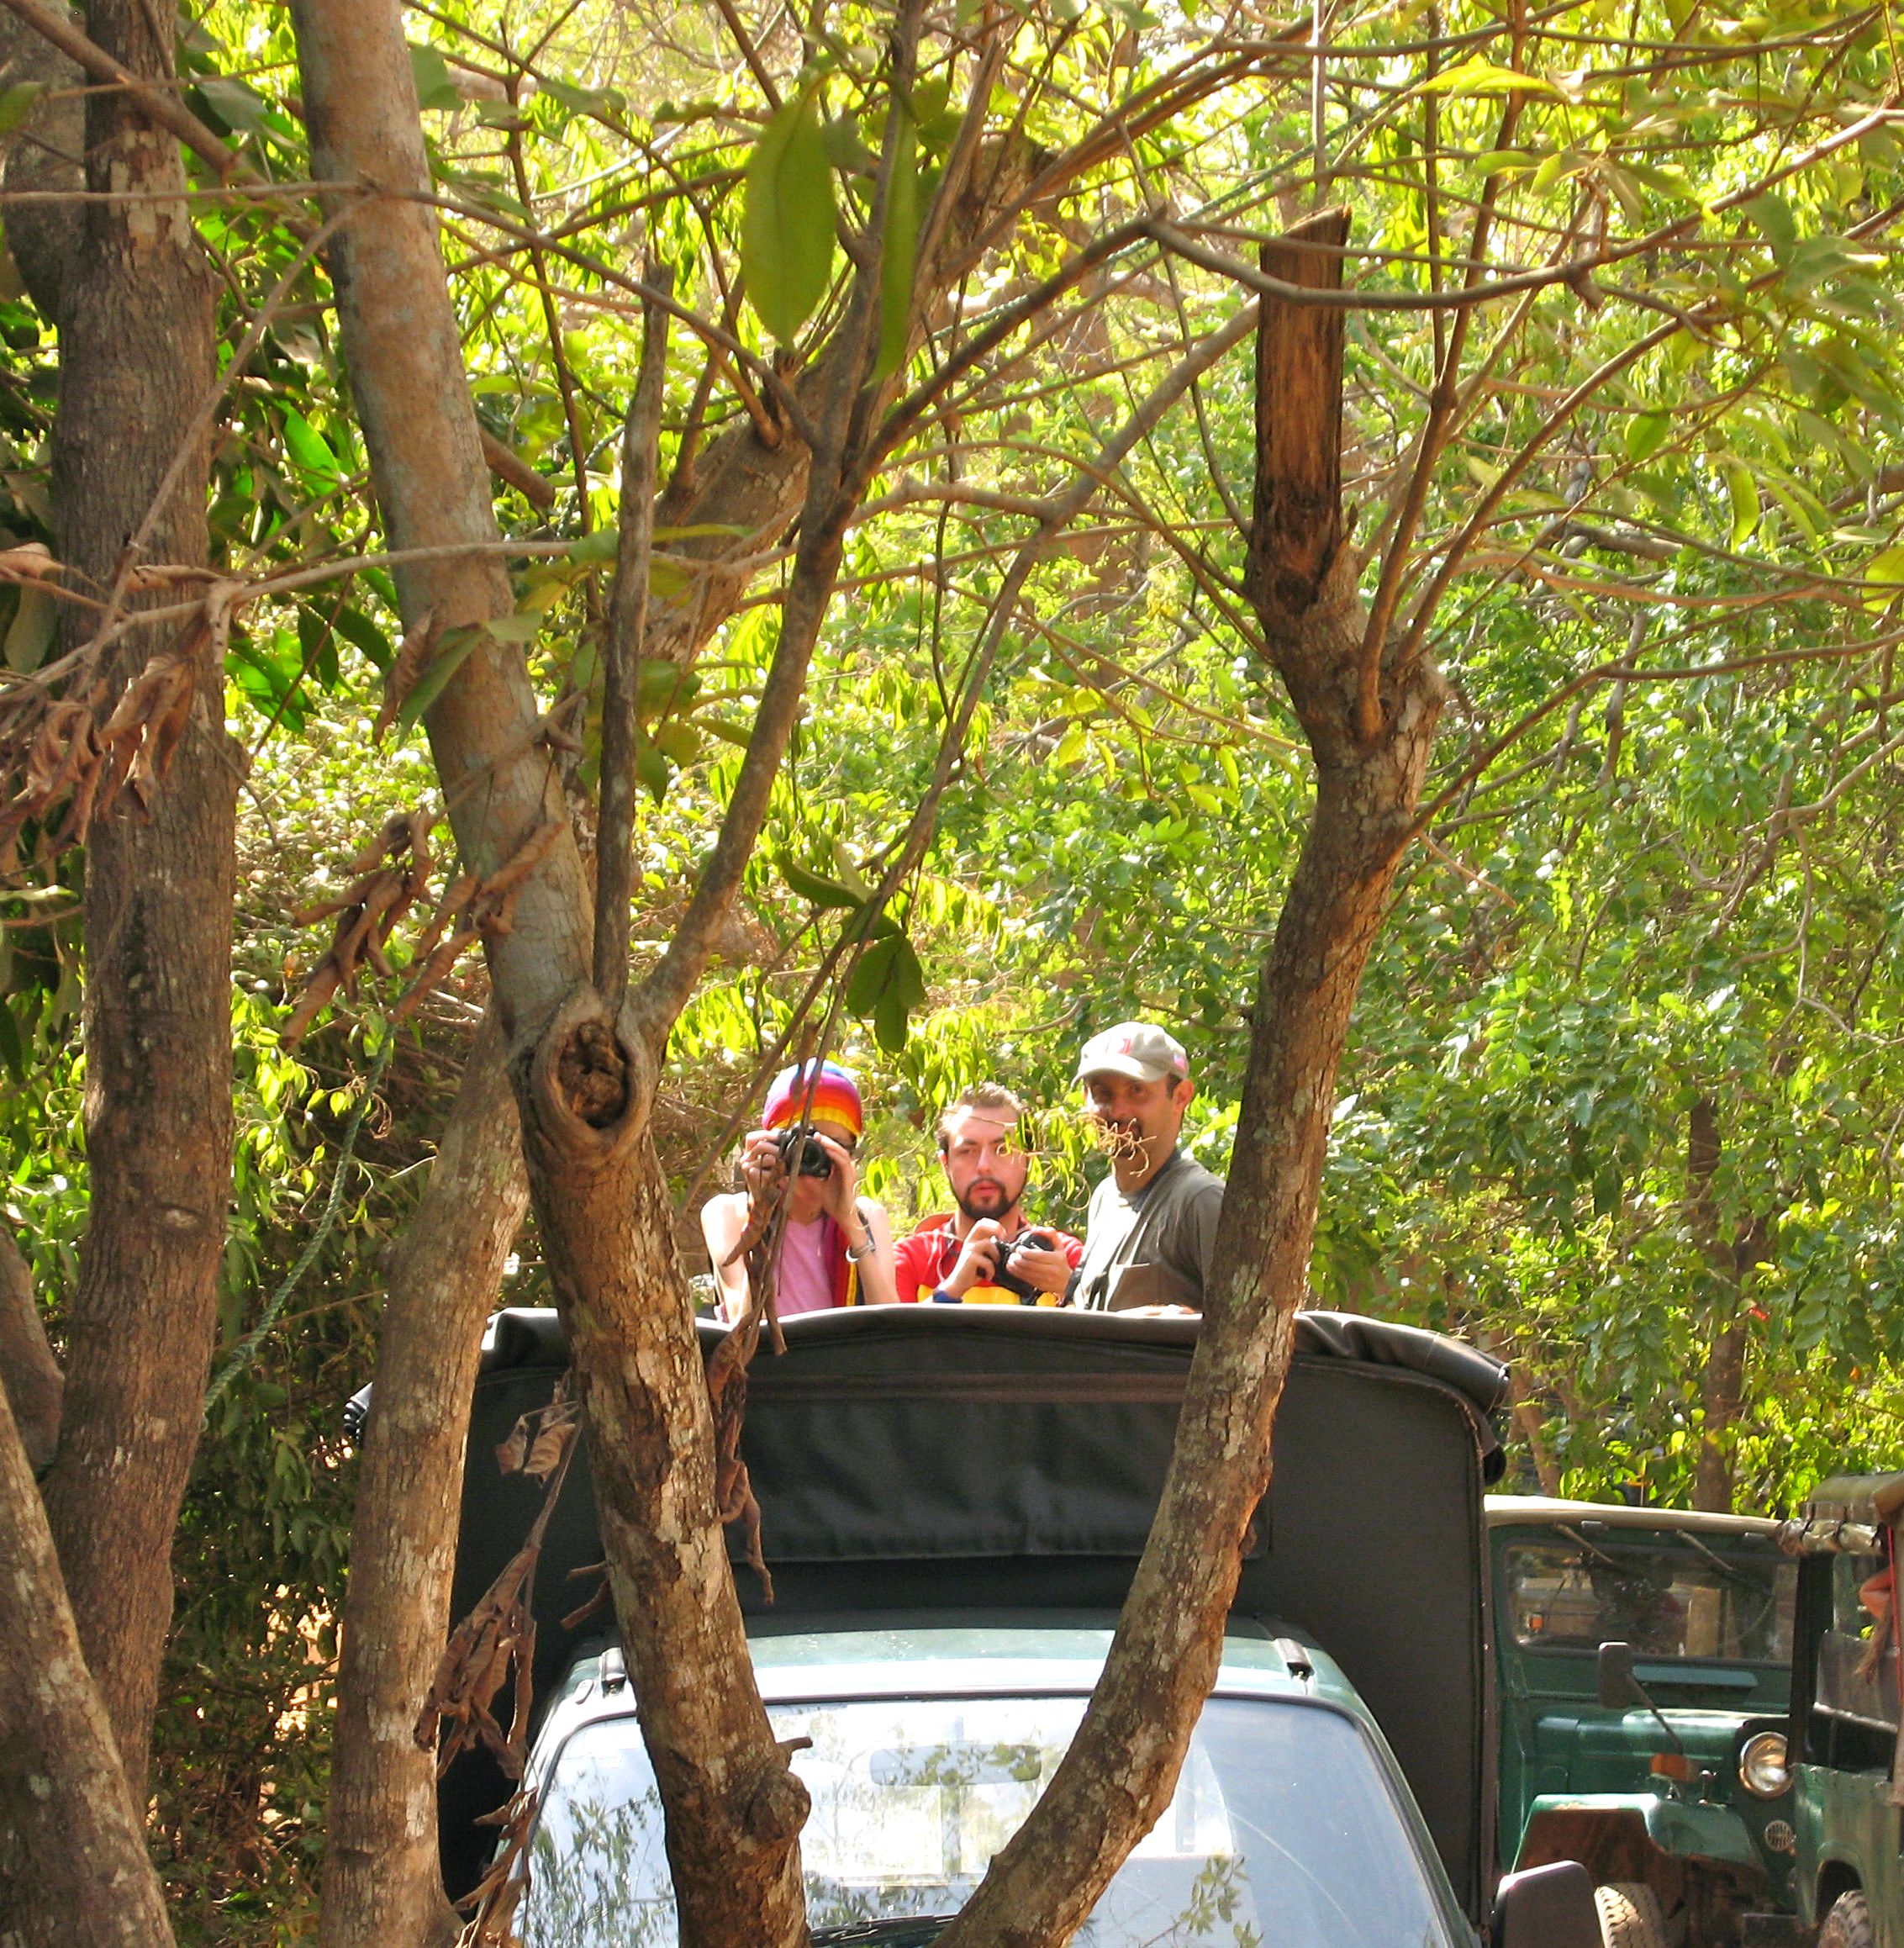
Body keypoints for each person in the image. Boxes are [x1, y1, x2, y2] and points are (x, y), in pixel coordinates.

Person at [699, 1059, 898, 1321]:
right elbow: (742, 1327)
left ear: (849, 1154)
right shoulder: (727, 1214)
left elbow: (890, 1326)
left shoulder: (867, 1216)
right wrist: (761, 1215)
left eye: (830, 1146)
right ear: (770, 1143)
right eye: (800, 1142)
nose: (811, 1157)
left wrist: (850, 1223)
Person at [1068, 1022, 1225, 1312]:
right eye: (1103, 1094)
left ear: (1181, 1097)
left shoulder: (1201, 1201)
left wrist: (1185, 1324)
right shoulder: (1105, 1196)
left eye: (1137, 1091)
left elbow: (1249, 1333)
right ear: (1085, 1100)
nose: (1118, 1111)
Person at [892, 1084, 1083, 1305]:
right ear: (946, 1164)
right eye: (967, 1151)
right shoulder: (911, 1260)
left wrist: (1067, 1287)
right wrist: (951, 1290)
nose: (984, 1166)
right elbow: (897, 1339)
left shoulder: (1062, 1256)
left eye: (1003, 1150)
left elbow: (1101, 1334)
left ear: (1029, 1159)